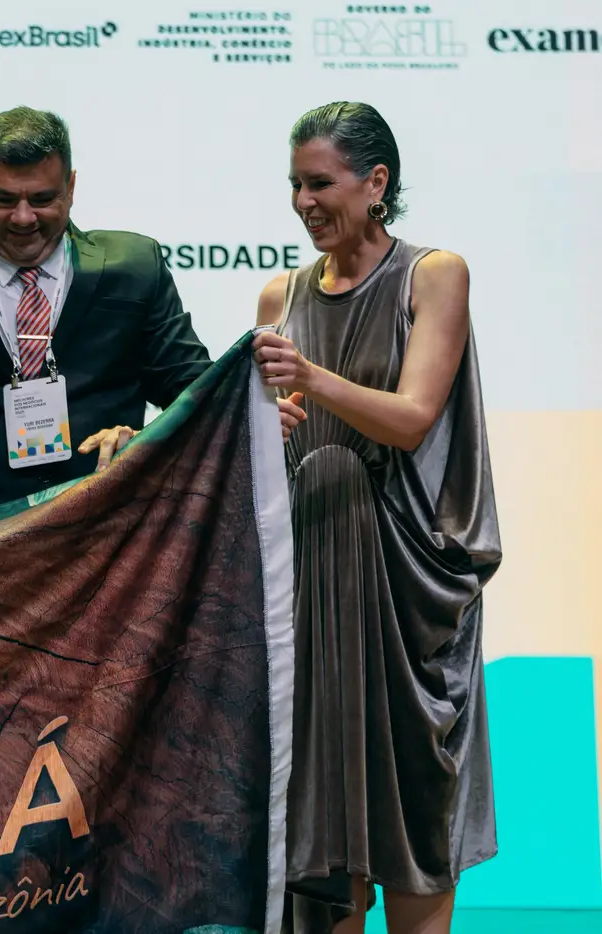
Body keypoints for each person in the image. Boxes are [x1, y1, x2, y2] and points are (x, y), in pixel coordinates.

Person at [252, 102, 501, 934]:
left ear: (376, 182)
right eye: (295, 184)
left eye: (320, 183)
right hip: (310, 584)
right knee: (317, 839)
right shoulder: (279, 295)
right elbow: (263, 443)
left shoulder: (436, 275)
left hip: (405, 586)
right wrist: (265, 430)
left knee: (416, 820)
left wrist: (310, 380)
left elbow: (414, 417)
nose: (303, 201)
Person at [0, 105, 305, 518]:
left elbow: (190, 391)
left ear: (71, 188)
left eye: (42, 199)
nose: (23, 218)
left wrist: (246, 417)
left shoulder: (134, 268)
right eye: (5, 199)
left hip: (108, 535)